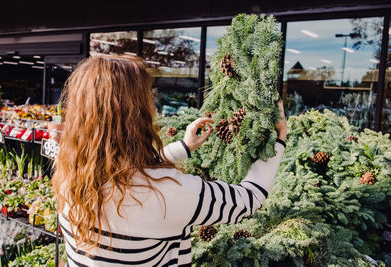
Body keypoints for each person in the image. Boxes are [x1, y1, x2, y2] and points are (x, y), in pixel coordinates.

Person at [52, 55, 287, 267]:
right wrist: (278, 140)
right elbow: (247, 199)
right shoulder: (170, 194)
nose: (153, 105)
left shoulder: (70, 174)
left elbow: (127, 171)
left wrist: (183, 148)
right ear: (138, 114)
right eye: (148, 97)